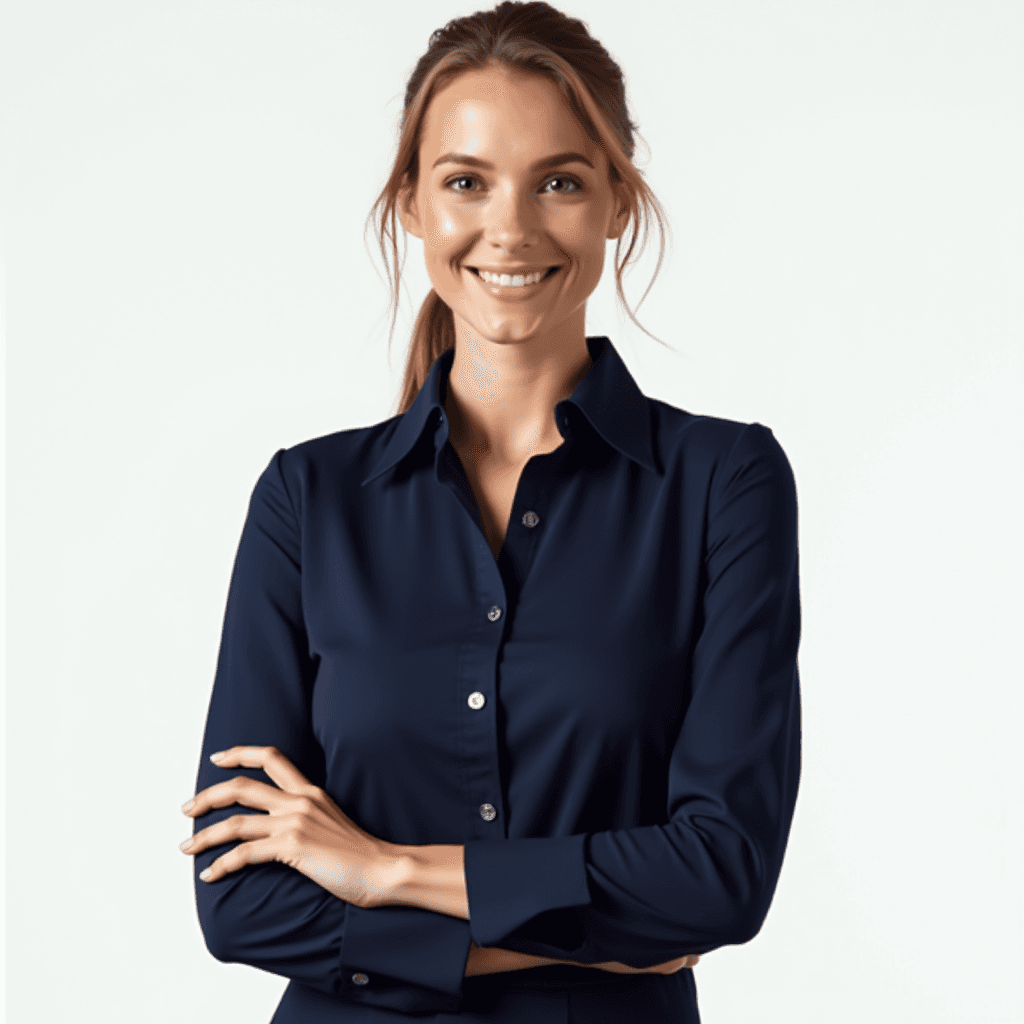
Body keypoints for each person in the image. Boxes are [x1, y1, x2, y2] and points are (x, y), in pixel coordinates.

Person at [180, 3, 802, 1022]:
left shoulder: (721, 483)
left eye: (559, 180)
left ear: (617, 206)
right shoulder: (307, 499)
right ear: (412, 207)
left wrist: (385, 871)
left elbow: (721, 871)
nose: (508, 228)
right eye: (465, 182)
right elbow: (237, 899)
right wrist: (582, 947)